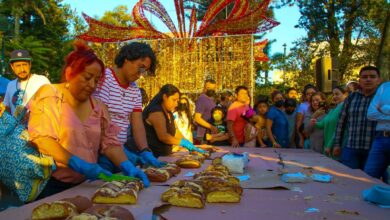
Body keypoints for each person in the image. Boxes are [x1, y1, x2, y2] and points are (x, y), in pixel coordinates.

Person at [27, 41, 149, 199]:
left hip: (86, 185)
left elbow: (110, 144)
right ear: (70, 73)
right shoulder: (51, 94)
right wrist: (76, 162)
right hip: (52, 185)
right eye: (87, 77)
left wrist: (126, 165)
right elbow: (42, 139)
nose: (92, 85)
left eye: (97, 80)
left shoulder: (98, 107)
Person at [93, 42, 163, 168]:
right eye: (140, 67)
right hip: (101, 151)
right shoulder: (104, 78)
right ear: (127, 59)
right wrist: (120, 151)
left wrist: (145, 150)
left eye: (144, 71)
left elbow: (137, 124)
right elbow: (101, 120)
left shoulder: (135, 90)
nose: (140, 74)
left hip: (120, 151)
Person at [333, 66, 381, 170]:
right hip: (351, 148)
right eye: (364, 77)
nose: (368, 79)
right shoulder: (352, 97)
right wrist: (337, 144)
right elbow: (341, 122)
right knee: (349, 180)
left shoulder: (383, 97)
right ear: (359, 80)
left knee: (372, 181)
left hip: (375, 150)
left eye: (372, 76)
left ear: (379, 80)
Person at [142, 84, 205, 157]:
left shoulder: (168, 111)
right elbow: (163, 136)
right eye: (174, 100)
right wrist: (182, 143)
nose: (176, 104)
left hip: (165, 155)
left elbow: (176, 131)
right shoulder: (156, 112)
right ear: (165, 97)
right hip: (154, 156)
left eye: (177, 101)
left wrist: (187, 142)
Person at [3, 49, 50, 116]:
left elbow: (51, 105)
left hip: (37, 125)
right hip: (17, 126)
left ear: (30, 64)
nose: (22, 69)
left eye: (24, 65)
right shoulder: (10, 85)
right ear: (12, 67)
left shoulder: (42, 81)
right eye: (18, 66)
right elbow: (7, 107)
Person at [364, 81, 390, 183]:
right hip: (381, 138)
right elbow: (370, 114)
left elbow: (376, 112)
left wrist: (383, 109)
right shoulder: (384, 87)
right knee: (368, 177)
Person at [313, 86, 347, 159]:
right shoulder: (332, 110)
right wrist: (314, 120)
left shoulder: (343, 108)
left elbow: (338, 129)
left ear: (345, 95)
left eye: (337, 94)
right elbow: (321, 124)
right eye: (333, 94)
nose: (334, 96)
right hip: (327, 147)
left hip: (335, 147)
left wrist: (329, 145)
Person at [194, 79, 219, 144]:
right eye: (208, 88)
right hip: (203, 135)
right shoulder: (202, 99)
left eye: (213, 88)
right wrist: (211, 127)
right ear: (204, 88)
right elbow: (197, 118)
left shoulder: (211, 99)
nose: (211, 90)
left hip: (210, 134)